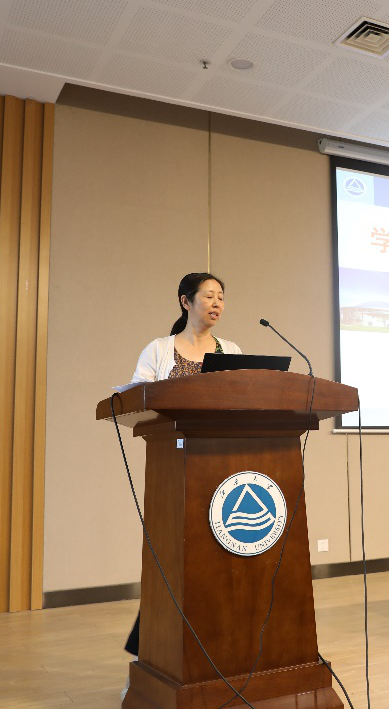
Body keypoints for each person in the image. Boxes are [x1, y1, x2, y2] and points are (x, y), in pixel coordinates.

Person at [122, 272, 240, 698]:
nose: (217, 302)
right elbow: (138, 398)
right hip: (174, 468)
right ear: (185, 301)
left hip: (222, 467)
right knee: (173, 566)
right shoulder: (159, 349)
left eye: (221, 296)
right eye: (208, 295)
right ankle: (155, 659)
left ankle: (219, 655)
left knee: (215, 566)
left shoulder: (232, 351)